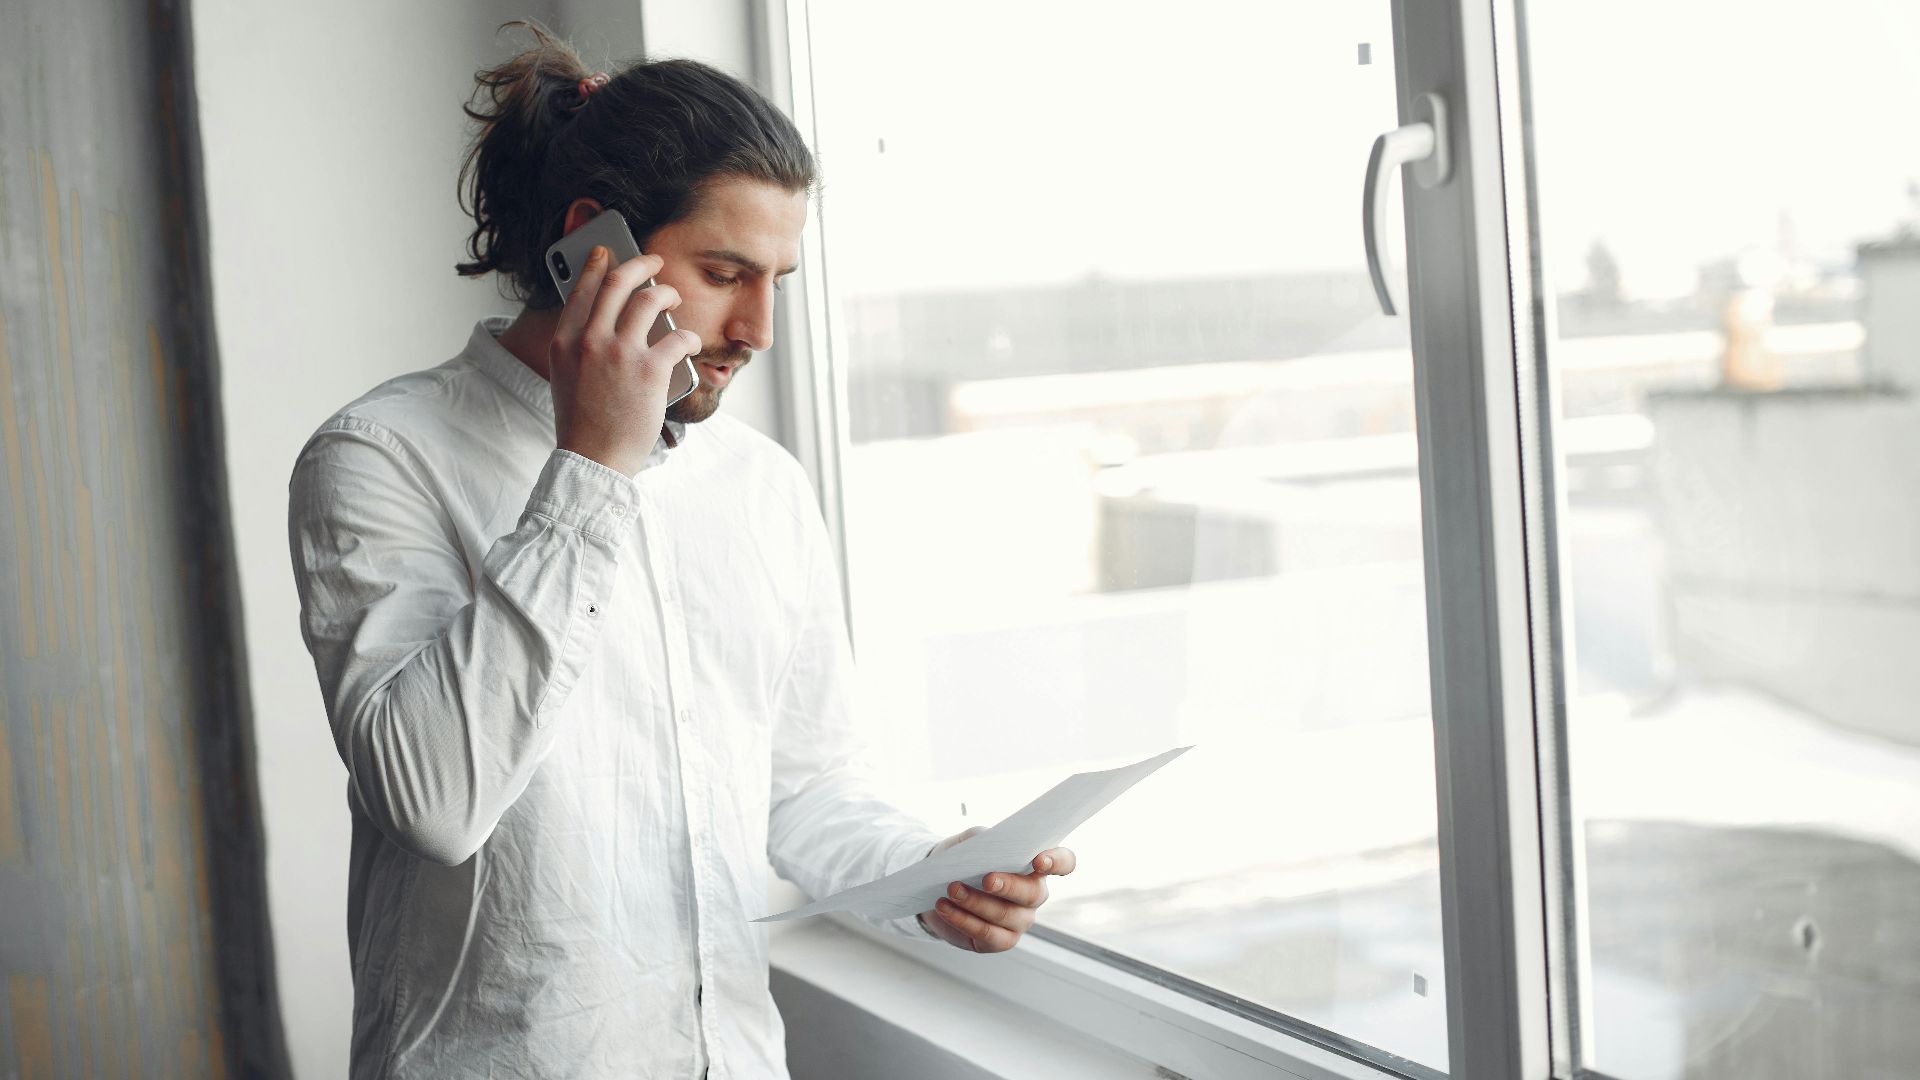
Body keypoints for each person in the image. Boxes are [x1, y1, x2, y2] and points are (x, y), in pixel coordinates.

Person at [285, 22, 1076, 1080]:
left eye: (777, 280)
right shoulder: (380, 457)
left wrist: (929, 877)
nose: (757, 327)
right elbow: (433, 799)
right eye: (723, 271)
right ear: (594, 247)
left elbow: (806, 785)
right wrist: (592, 471)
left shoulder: (761, 488)